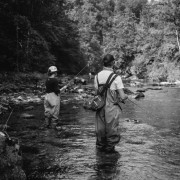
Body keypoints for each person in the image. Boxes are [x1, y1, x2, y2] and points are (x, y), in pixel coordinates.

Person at [94, 54, 128, 152]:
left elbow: (96, 93)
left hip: (99, 106)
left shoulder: (96, 76)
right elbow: (122, 97)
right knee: (112, 130)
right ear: (113, 63)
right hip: (111, 108)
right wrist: (125, 97)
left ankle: (100, 153)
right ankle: (110, 154)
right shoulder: (116, 77)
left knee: (100, 130)